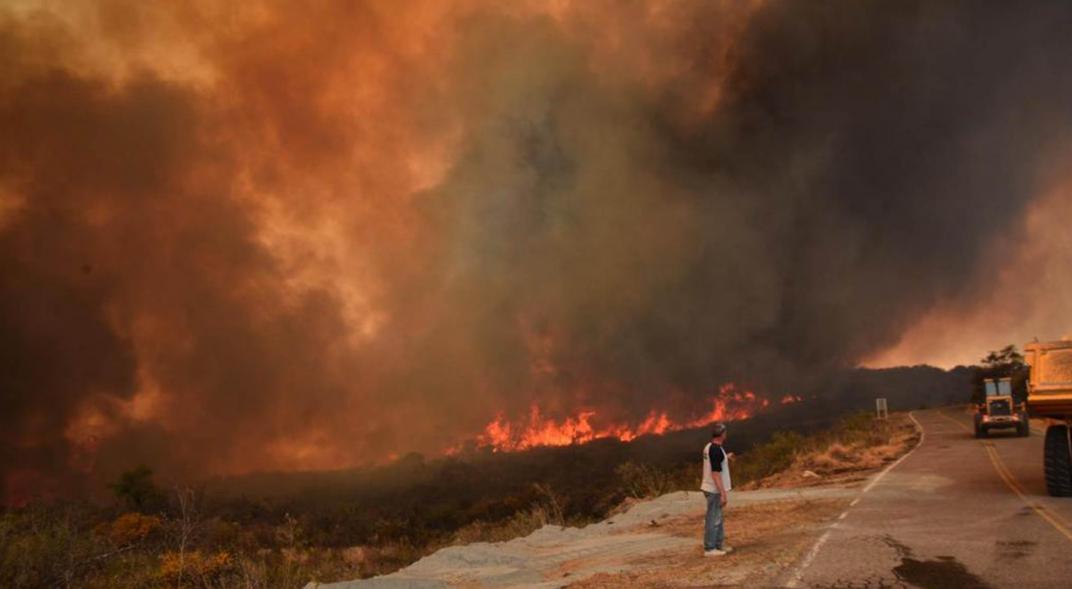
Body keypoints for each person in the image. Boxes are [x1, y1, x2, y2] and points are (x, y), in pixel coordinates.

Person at [700, 423, 733, 556]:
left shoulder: (710, 447)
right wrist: (723, 493)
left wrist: (726, 457)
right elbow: (715, 473)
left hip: (711, 488)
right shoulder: (716, 450)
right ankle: (710, 548)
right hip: (714, 490)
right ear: (722, 434)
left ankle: (719, 545)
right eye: (725, 432)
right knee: (713, 519)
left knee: (717, 518)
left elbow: (716, 462)